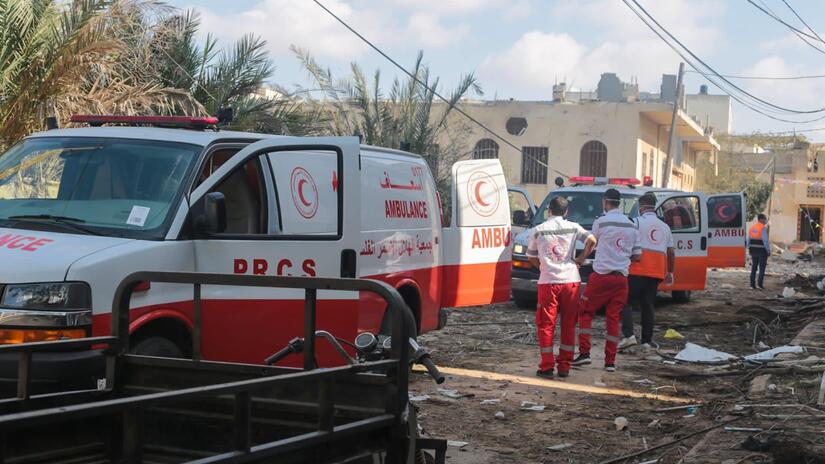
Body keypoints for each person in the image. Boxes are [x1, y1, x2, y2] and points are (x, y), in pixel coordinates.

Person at [527, 196, 597, 379]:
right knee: (569, 324)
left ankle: (547, 366)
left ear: (548, 210)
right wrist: (580, 259)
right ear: (566, 212)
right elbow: (592, 240)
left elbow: (531, 257)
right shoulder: (573, 227)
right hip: (571, 281)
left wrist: (544, 266)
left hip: (548, 282)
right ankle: (564, 367)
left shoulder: (537, 230)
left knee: (546, 325)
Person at [574, 188, 641, 372]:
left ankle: (585, 354)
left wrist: (580, 258)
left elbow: (591, 242)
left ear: (605, 202)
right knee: (613, 319)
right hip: (621, 280)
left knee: (585, 312)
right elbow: (637, 257)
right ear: (619, 203)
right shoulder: (631, 224)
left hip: (601, 277)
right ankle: (610, 362)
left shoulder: (601, 222)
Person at [618, 193, 675, 351]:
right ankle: (646, 341)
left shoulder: (635, 222)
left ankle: (628, 335)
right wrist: (670, 272)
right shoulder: (665, 227)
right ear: (654, 206)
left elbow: (625, 242)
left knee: (626, 302)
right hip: (656, 272)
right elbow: (671, 252)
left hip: (635, 270)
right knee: (648, 306)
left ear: (641, 207)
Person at [748, 214, 770, 290]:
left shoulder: (752, 228)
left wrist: (749, 249)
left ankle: (752, 285)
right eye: (765, 219)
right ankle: (760, 285)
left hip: (753, 250)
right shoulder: (763, 228)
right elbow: (765, 241)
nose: (766, 221)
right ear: (761, 219)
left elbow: (749, 240)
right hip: (762, 251)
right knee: (762, 268)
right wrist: (768, 250)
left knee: (754, 267)